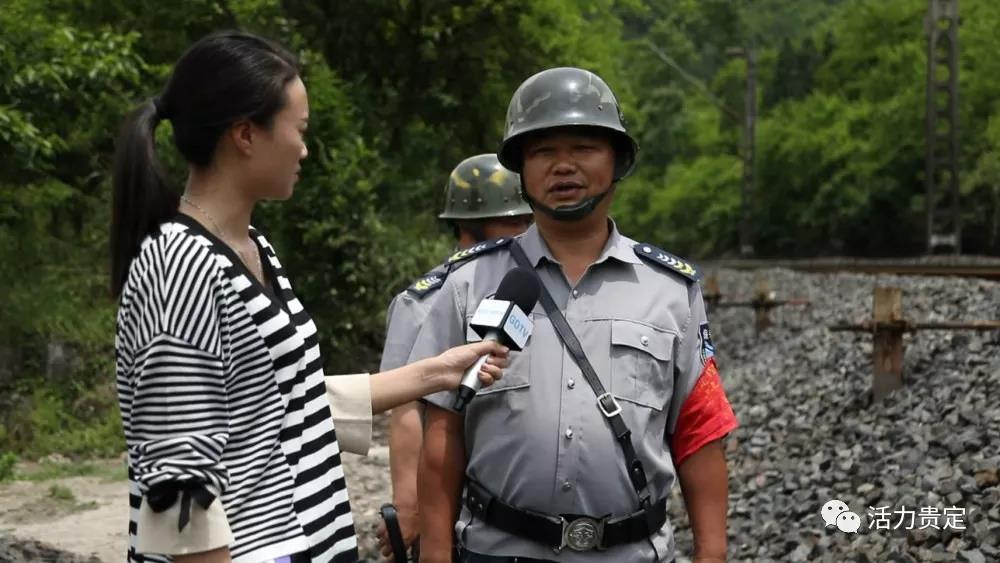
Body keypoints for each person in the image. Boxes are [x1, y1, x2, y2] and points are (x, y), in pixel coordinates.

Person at [110, 31, 508, 563]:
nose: (304, 147)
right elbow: (178, 479)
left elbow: (283, 399)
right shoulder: (179, 268)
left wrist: (437, 372)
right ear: (245, 135)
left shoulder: (254, 249)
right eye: (298, 130)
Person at [408, 67, 739, 563]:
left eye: (583, 148)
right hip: (497, 551)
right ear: (521, 170)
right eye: (543, 152)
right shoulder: (468, 284)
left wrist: (711, 555)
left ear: (617, 160)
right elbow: (442, 434)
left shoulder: (672, 290)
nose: (563, 166)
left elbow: (698, 432)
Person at [376, 154, 531, 560]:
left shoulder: (534, 290)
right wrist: (408, 508)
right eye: (514, 222)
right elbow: (406, 410)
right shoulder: (425, 301)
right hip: (447, 491)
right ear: (469, 226)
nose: (525, 232)